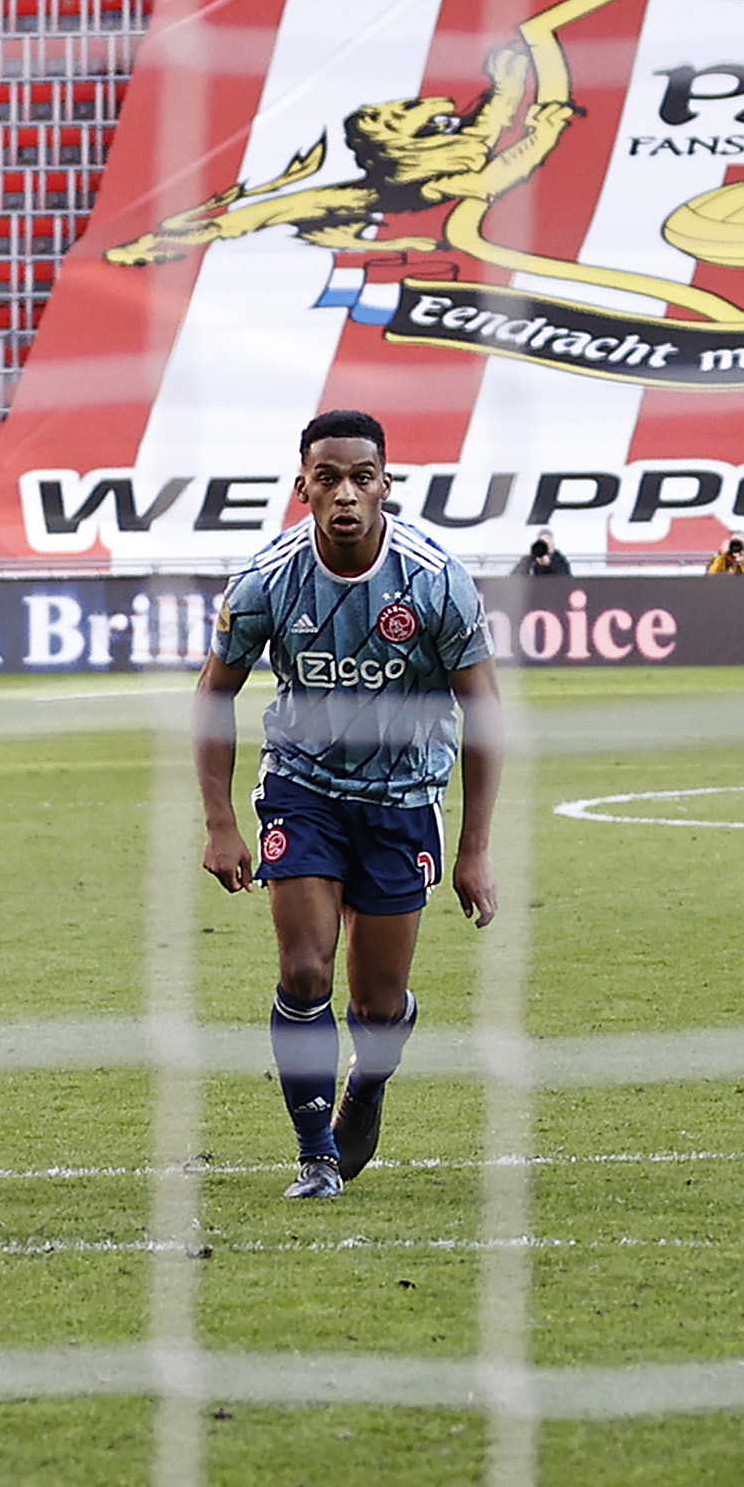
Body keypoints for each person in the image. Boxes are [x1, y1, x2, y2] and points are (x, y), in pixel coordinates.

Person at [193, 409, 502, 1198]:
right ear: (302, 487)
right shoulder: (267, 579)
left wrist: (474, 850)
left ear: (385, 485)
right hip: (303, 790)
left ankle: (368, 1082)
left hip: (403, 799)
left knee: (378, 1003)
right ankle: (316, 1155)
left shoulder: (435, 580)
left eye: (361, 477)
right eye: (327, 478)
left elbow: (486, 713)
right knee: (305, 970)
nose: (345, 493)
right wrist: (221, 822)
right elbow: (214, 694)